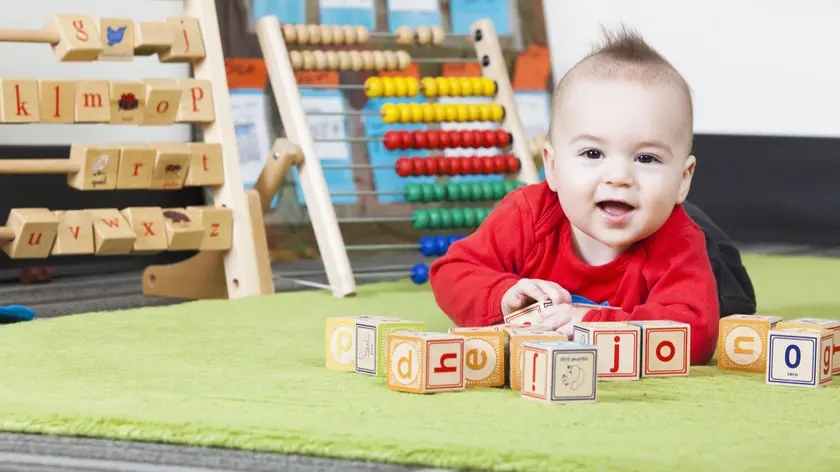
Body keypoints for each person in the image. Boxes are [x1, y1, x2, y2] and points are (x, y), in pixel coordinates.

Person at [428, 26, 756, 366]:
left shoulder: (678, 239)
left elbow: (696, 334)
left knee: (730, 300)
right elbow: (451, 272)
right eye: (592, 154)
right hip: (645, 209)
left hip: (690, 239)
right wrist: (502, 296)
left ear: (683, 179)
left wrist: (590, 324)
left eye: (646, 158)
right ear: (552, 167)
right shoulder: (528, 212)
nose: (618, 177)